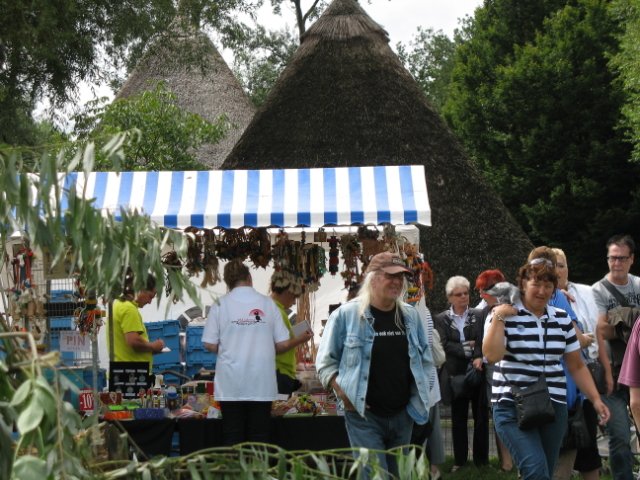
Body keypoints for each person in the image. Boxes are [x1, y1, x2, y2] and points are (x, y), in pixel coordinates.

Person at [484, 260, 610, 480]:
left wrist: (596, 399)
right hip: (511, 404)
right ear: (523, 283)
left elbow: (576, 365)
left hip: (554, 406)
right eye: (536, 283)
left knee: (544, 473)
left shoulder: (561, 318)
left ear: (554, 289)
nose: (542, 291)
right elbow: (492, 355)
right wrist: (498, 317)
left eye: (548, 285)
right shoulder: (503, 314)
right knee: (535, 470)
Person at [315, 251, 434, 478]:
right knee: (374, 475)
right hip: (363, 416)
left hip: (403, 415)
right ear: (373, 278)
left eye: (401, 277)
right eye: (391, 276)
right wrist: (343, 393)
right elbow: (325, 363)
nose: (397, 282)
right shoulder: (346, 316)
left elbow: (425, 359)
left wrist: (418, 397)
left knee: (401, 475)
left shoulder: (410, 315)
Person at [202, 260, 312, 445]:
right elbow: (282, 344)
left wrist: (232, 348)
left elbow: (209, 344)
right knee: (260, 438)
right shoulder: (268, 305)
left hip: (230, 384)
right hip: (261, 383)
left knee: (232, 436)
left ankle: (236, 473)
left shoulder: (220, 305)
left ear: (228, 282)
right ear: (250, 278)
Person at [592, 234, 640, 480]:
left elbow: (611, 326)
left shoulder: (639, 285)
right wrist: (634, 318)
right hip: (611, 374)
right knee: (620, 438)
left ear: (631, 259)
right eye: (612, 258)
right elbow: (601, 329)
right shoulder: (597, 291)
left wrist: (619, 319)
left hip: (638, 373)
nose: (616, 263)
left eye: (622, 258)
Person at [552, 248, 601, 480]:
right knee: (559, 455)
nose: (558, 270)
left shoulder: (584, 293)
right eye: (553, 265)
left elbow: (593, 333)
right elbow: (578, 338)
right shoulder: (551, 298)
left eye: (562, 265)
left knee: (587, 449)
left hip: (581, 380)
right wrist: (583, 338)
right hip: (556, 386)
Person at [435, 275, 488, 471]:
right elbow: (442, 343)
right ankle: (460, 461)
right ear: (450, 297)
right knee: (458, 419)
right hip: (455, 375)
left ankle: (482, 461)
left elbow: (482, 339)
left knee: (481, 417)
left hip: (477, 370)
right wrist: (465, 347)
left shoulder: (479, 314)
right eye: (458, 294)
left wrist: (477, 355)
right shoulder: (441, 319)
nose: (464, 297)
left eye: (466, 293)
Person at [474, 269, 514, 473]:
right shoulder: (485, 311)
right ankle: (506, 463)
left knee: (517, 414)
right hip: (493, 371)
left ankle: (519, 461)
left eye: (483, 290)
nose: (480, 294)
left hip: (513, 369)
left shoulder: (514, 308)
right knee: (499, 415)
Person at [111, 273, 165, 370]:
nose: (149, 302)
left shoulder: (119, 304)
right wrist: (153, 346)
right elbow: (133, 341)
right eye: (150, 296)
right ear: (141, 289)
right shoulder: (128, 309)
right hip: (131, 373)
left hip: (123, 370)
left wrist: (150, 348)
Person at [271, 275, 313, 395]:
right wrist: (300, 339)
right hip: (279, 372)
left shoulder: (274, 310)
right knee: (280, 410)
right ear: (287, 291)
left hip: (280, 372)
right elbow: (276, 346)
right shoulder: (275, 311)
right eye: (294, 297)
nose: (294, 302)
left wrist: (295, 335)